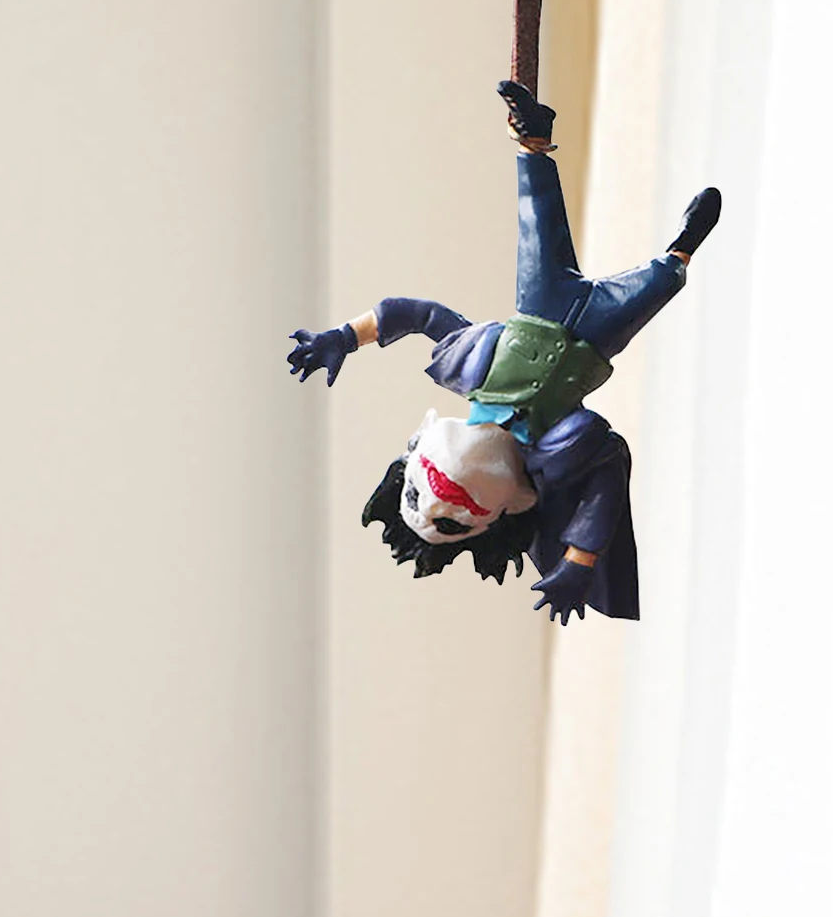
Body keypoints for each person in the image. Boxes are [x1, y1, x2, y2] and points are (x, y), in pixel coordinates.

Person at [288, 81, 721, 623]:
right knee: (658, 283)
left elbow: (416, 314)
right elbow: (606, 482)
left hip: (540, 301)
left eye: (416, 496)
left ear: (416, 447)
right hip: (597, 336)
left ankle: (533, 136)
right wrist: (579, 561)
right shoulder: (557, 452)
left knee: (538, 220)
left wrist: (344, 337)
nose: (439, 502)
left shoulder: (468, 368)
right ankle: (682, 249)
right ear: (504, 513)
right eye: (450, 524)